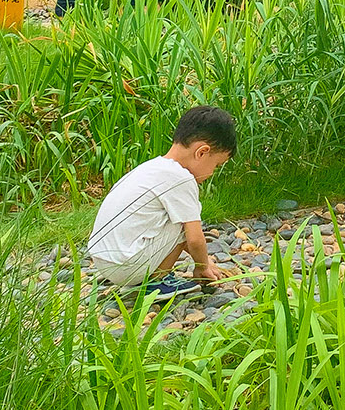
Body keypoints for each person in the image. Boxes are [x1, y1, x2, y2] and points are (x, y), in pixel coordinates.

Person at [87, 106, 235, 299]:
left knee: (177, 217)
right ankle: (153, 282)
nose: (212, 172)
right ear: (202, 152)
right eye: (216, 165)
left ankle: (139, 278)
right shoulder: (181, 178)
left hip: (104, 260)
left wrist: (205, 260)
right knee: (186, 222)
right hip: (127, 265)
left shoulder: (151, 168)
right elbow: (194, 238)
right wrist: (202, 267)